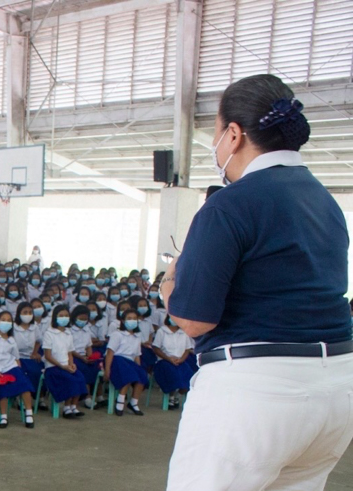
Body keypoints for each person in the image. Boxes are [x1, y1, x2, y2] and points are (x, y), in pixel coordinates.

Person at [164, 75, 353, 490]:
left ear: (234, 133)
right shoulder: (324, 201)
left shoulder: (229, 205)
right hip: (336, 389)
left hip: (256, 394)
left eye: (215, 131)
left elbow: (194, 321)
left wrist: (169, 288)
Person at [0, 312, 35, 429]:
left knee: (24, 385)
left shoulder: (11, 339)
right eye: (3, 320)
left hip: (11, 367)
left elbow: (16, 358)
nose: (6, 322)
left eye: (8, 320)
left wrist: (19, 372)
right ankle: (4, 416)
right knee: (2, 388)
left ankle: (29, 413)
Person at [42, 306, 88, 418]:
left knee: (80, 378)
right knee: (70, 380)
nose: (64, 318)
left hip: (66, 365)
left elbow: (69, 352)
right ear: (55, 318)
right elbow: (48, 356)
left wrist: (71, 364)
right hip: (53, 367)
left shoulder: (68, 333)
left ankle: (74, 406)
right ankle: (66, 408)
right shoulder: (49, 333)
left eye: (66, 316)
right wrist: (62, 366)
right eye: (61, 316)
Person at [103, 310, 147, 416]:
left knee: (142, 376)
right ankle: (120, 400)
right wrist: (107, 369)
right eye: (129, 319)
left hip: (130, 362)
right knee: (128, 374)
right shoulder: (117, 334)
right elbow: (110, 352)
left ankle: (133, 402)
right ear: (123, 321)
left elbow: (137, 355)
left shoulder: (137, 336)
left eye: (134, 319)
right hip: (117, 360)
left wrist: (139, 368)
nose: (132, 321)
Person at [151, 316, 195, 408]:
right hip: (164, 361)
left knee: (190, 377)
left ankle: (177, 396)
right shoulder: (162, 331)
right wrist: (168, 358)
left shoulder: (184, 332)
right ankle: (170, 396)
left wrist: (181, 359)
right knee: (173, 375)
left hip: (180, 361)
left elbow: (187, 349)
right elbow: (156, 348)